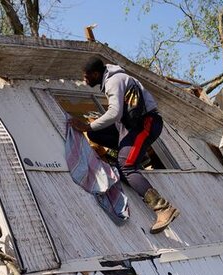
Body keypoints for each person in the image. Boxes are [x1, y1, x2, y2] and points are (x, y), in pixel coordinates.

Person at [69, 57, 179, 234]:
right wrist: (91, 128)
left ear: (95, 74)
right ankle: (136, 155)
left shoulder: (113, 81)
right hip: (129, 125)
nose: (84, 80)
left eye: (86, 76)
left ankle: (163, 208)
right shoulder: (113, 79)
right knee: (95, 133)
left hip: (146, 124)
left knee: (126, 166)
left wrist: (87, 125)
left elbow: (114, 112)